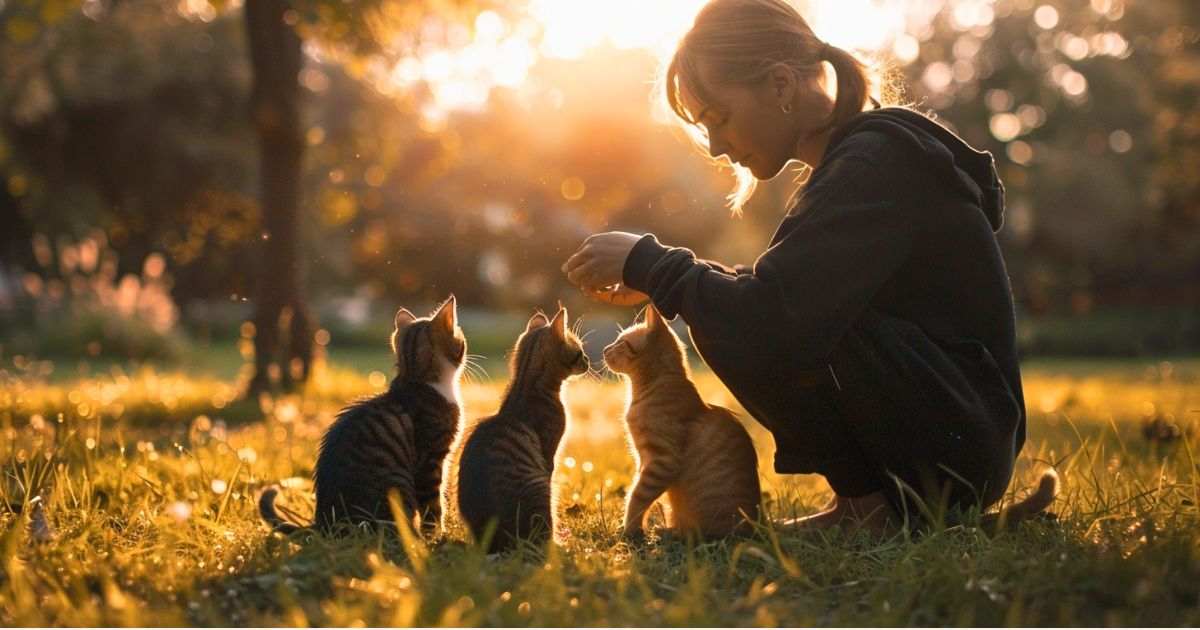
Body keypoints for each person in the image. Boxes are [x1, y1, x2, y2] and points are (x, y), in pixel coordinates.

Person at [562, 0, 1026, 532]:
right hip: (954, 434)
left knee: (749, 319)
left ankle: (872, 510)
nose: (714, 145)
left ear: (781, 86)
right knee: (736, 307)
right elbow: (771, 299)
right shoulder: (858, 166)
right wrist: (666, 280)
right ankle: (866, 504)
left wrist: (654, 266)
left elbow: (769, 317)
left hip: (956, 445)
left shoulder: (876, 166)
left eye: (717, 118)